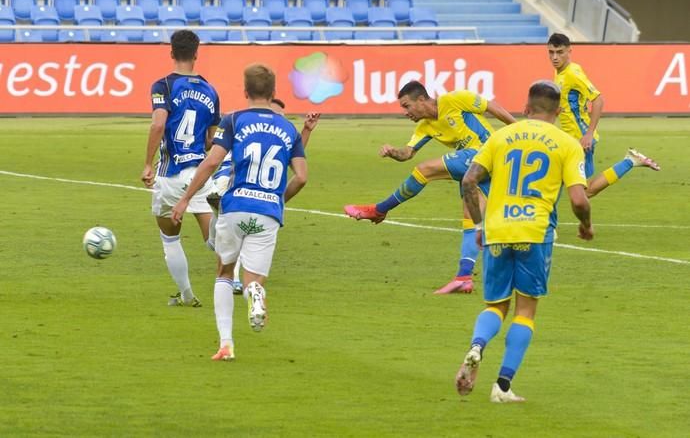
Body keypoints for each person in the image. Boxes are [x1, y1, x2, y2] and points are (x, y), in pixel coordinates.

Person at [456, 80, 593, 403]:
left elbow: (469, 180)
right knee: (526, 311)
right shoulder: (567, 143)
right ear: (557, 112)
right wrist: (586, 225)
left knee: (496, 305)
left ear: (525, 107)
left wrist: (478, 223)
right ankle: (502, 387)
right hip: (535, 231)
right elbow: (579, 199)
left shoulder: (499, 137)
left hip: (497, 230)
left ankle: (477, 345)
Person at [171, 63, 308, 361]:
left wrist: (185, 199)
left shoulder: (234, 120)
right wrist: (278, 200)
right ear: (273, 93)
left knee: (223, 273)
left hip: (235, 208)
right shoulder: (288, 128)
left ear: (245, 91)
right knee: (253, 281)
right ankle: (255, 294)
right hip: (268, 212)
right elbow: (301, 176)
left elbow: (210, 162)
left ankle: (226, 344)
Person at [344, 80, 516, 294]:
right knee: (472, 219)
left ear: (422, 100)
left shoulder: (454, 100)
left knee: (425, 169)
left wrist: (518, 128)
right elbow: (407, 153)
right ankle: (464, 277)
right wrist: (393, 152)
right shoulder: (425, 127)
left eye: (406, 106)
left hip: (486, 152)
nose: (405, 112)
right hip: (479, 169)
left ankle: (379, 209)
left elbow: (492, 106)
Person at [206, 98, 320, 294]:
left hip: (231, 186)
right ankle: (238, 280)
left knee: (228, 231)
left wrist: (306, 131)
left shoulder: (242, 124)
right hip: (235, 182)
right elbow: (295, 166)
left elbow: (291, 155)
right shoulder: (245, 127)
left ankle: (228, 271)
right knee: (242, 227)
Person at [141, 30, 220, 308]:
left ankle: (187, 295)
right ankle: (224, 237)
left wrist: (148, 163)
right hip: (200, 174)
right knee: (214, 241)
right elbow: (211, 141)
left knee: (169, 238)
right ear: (196, 54)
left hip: (170, 174)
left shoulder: (162, 85)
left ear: (171, 52)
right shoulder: (211, 90)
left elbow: (158, 124)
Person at [547, 33, 660, 198]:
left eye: (560, 52)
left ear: (570, 50)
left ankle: (630, 161)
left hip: (580, 138)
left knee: (583, 192)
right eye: (551, 52)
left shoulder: (572, 74)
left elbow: (598, 100)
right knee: (561, 181)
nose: (555, 57)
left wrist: (589, 134)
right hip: (569, 138)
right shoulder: (562, 71)